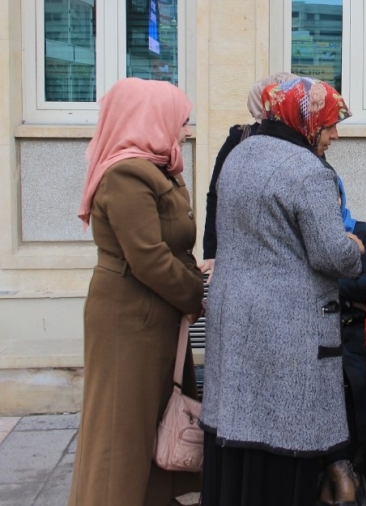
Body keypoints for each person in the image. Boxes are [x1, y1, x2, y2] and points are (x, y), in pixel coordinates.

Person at [199, 77, 363, 506]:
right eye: (329, 124)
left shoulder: (239, 153)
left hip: (236, 318)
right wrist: (355, 248)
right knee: (284, 441)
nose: (334, 134)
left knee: (243, 436)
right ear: (305, 120)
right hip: (288, 328)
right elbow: (331, 254)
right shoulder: (307, 170)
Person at [69, 78, 204, 506]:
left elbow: (170, 247)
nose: (184, 131)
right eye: (179, 121)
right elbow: (148, 258)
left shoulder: (156, 168)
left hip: (153, 317)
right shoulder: (128, 173)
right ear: (150, 119)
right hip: (130, 318)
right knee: (121, 430)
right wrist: (197, 295)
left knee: (151, 424)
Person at [318, 178, 366, 506]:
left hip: (353, 330)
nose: (328, 203)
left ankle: (342, 469)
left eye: (333, 196)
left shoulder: (361, 229)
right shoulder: (308, 233)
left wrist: (325, 284)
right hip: (316, 333)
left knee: (352, 375)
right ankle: (339, 471)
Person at [199, 72, 297, 279]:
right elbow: (216, 193)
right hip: (242, 245)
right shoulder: (239, 137)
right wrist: (212, 251)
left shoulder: (306, 140)